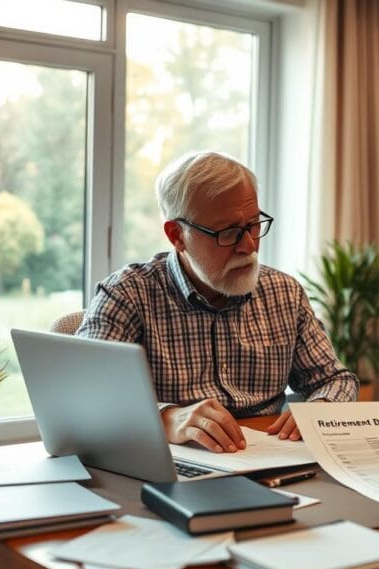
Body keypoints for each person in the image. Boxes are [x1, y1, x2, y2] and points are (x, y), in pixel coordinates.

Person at [77, 151, 358, 452]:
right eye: (229, 232)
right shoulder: (129, 294)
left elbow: (335, 380)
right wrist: (165, 418)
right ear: (177, 235)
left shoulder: (284, 293)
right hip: (172, 466)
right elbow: (81, 396)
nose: (249, 246)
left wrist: (322, 408)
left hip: (269, 462)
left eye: (253, 225)